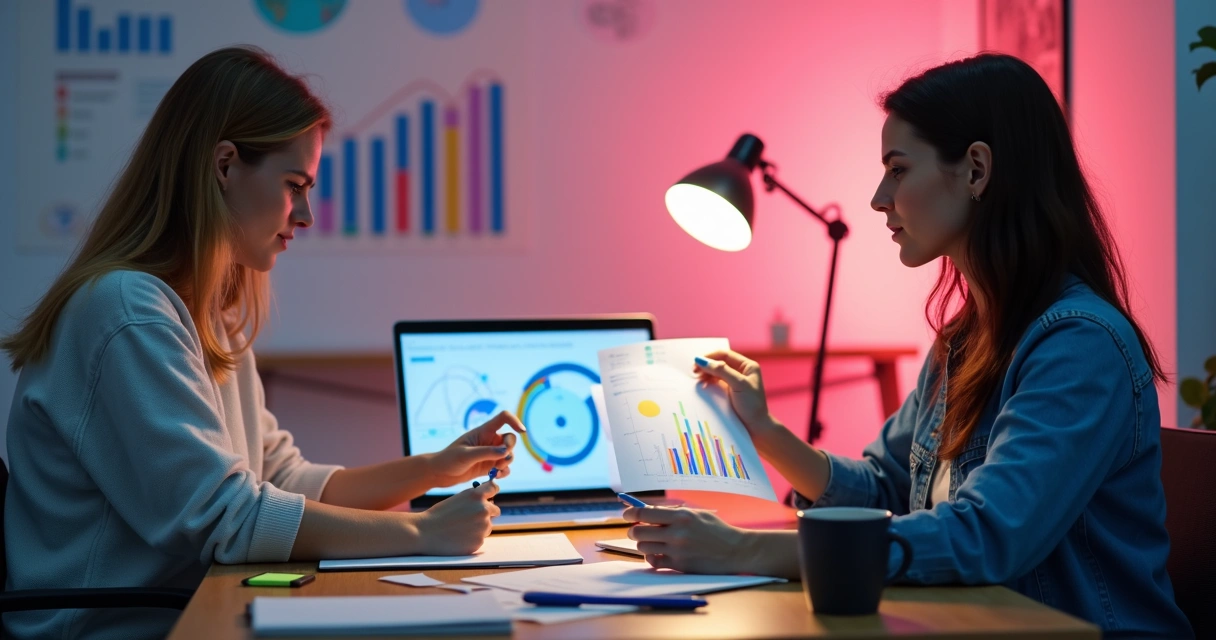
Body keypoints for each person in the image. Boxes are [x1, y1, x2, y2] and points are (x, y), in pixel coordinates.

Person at [622, 53, 1193, 638]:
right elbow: (884, 486)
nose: (877, 198)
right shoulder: (965, 339)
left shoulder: (1080, 345)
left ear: (975, 170)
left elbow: (986, 538)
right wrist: (764, 430)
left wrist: (744, 551)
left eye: (897, 170)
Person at [1, 46, 522, 639]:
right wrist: (423, 534)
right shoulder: (127, 314)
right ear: (224, 166)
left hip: (185, 614)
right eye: (294, 185)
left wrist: (436, 467)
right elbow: (227, 520)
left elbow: (280, 479)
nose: (305, 215)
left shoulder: (207, 312)